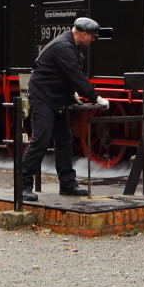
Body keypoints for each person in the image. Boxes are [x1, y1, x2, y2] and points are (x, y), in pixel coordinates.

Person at [20, 17, 110, 200]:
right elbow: (75, 75)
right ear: (83, 34)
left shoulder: (73, 46)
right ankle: (23, 187)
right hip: (42, 98)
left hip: (57, 99)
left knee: (64, 141)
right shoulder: (63, 47)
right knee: (40, 141)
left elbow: (66, 75)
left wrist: (72, 93)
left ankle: (68, 185)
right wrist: (96, 98)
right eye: (92, 36)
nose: (93, 40)